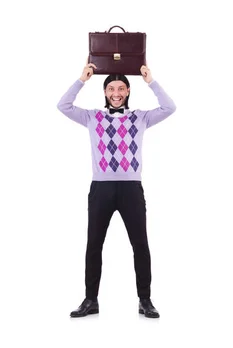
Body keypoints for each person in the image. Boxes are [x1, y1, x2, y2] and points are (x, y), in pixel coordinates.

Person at [57, 62, 176, 318]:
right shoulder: (92, 117)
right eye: (111, 88)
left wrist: (150, 81)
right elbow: (63, 106)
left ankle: (145, 300)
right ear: (105, 92)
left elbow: (170, 107)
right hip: (101, 188)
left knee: (140, 245)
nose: (116, 92)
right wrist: (82, 79)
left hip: (132, 188)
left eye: (121, 88)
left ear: (128, 91)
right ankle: (91, 300)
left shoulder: (141, 117)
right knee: (94, 245)